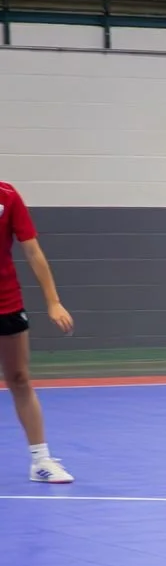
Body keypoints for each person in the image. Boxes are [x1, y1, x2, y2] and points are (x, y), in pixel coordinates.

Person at [0, 182, 77, 485]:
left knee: (19, 378)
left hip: (7, 303)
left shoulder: (7, 196)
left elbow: (32, 250)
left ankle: (41, 460)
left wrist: (53, 301)